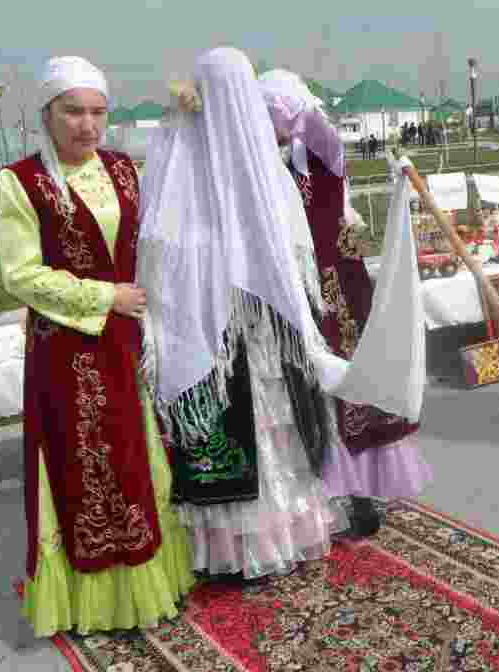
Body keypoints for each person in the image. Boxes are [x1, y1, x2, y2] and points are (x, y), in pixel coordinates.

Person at [137, 48, 425, 579]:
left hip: (269, 333)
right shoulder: (180, 165)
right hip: (218, 336)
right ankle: (234, 553)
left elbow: (291, 254)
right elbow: (164, 258)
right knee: (239, 438)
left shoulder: (266, 170)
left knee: (279, 435)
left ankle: (287, 534)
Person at [0, 56, 195, 637]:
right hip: (66, 349)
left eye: (97, 112)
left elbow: (150, 240)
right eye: (73, 111)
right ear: (48, 114)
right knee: (85, 463)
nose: (87, 124)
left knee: (137, 453)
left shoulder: (123, 169)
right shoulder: (21, 181)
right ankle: (99, 595)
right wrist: (104, 297)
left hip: (126, 341)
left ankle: (150, 575)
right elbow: (20, 273)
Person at [258, 70, 432, 537]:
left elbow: (318, 128)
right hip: (290, 285)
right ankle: (319, 500)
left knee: (350, 379)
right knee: (306, 388)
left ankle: (359, 493)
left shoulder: (323, 153)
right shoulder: (261, 166)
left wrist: (287, 106)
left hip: (339, 283)